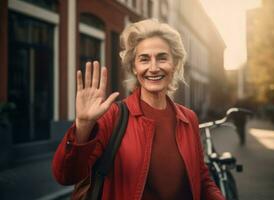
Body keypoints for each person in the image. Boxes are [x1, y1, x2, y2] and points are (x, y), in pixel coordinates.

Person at [52, 19, 224, 200]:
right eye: (144, 59)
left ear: (175, 63)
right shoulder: (113, 117)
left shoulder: (188, 118)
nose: (153, 67)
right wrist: (83, 125)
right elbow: (65, 176)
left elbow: (202, 177)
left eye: (162, 57)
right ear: (134, 67)